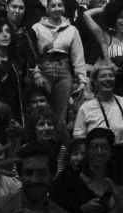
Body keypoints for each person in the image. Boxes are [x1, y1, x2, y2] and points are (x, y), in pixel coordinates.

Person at [32, 0, 88, 128]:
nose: (57, 8)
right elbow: (31, 55)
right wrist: (36, 73)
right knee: (42, 113)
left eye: (59, 5)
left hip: (64, 72)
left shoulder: (72, 29)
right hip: (43, 71)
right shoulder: (37, 27)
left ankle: (60, 140)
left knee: (61, 115)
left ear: (64, 7)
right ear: (47, 8)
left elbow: (78, 56)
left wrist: (82, 79)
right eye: (53, 6)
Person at [73, 60, 123, 149]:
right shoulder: (85, 108)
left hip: (120, 152)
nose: (108, 79)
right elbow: (78, 136)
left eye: (111, 75)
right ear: (95, 82)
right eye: (103, 76)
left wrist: (120, 144)